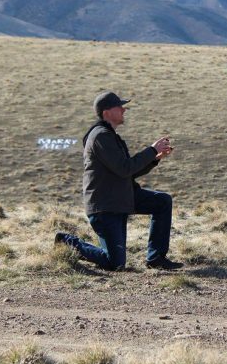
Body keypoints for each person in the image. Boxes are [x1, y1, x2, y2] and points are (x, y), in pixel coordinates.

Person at [54, 91, 183, 271]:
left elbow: (127, 172)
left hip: (120, 198)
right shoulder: (101, 136)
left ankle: (156, 258)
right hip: (105, 206)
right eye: (119, 106)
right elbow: (125, 168)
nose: (124, 109)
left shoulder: (109, 136)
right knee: (115, 263)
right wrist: (151, 151)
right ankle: (66, 241)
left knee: (162, 201)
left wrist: (155, 158)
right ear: (106, 112)